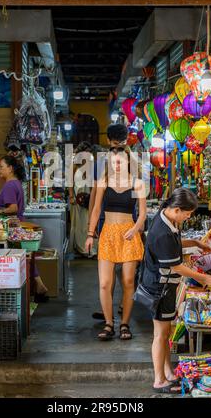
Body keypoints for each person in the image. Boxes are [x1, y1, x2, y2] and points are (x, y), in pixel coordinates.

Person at [141, 188, 211, 394]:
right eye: (187, 213)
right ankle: (159, 380)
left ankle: (167, 373)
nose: (188, 217)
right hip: (160, 288)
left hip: (164, 286)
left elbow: (174, 246)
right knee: (160, 334)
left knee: (165, 332)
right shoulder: (162, 232)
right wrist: (203, 277)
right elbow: (176, 266)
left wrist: (194, 243)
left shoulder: (167, 220)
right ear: (176, 210)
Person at [86, 147, 146, 340]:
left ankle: (125, 324)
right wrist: (90, 233)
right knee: (105, 283)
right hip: (108, 234)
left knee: (129, 282)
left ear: (128, 161)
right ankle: (109, 324)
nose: (116, 165)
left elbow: (143, 214)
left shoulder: (138, 183)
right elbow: (96, 210)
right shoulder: (104, 182)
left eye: (119, 161)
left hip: (128, 233)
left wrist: (135, 228)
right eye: (112, 162)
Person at [0, 155, 48, 302]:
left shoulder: (10, 185)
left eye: (1, 167)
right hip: (18, 225)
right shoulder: (16, 183)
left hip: (12, 227)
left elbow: (13, 208)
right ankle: (39, 286)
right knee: (25, 258)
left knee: (21, 259)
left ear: (10, 169)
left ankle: (30, 290)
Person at [88, 125, 129, 320]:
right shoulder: (104, 164)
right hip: (117, 216)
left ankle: (115, 307)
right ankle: (114, 307)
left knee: (117, 265)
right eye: (116, 143)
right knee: (117, 265)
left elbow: (95, 194)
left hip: (118, 216)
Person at [68, 142, 97, 257]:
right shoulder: (75, 165)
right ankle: (81, 248)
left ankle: (89, 248)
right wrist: (71, 196)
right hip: (76, 198)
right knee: (78, 224)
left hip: (88, 198)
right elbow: (70, 182)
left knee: (88, 222)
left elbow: (93, 184)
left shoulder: (91, 165)